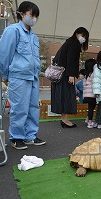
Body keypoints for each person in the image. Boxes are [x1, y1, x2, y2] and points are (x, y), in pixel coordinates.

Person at [0, 1, 46, 150]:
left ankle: (30, 136)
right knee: (19, 107)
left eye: (36, 16)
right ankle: (16, 137)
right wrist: (4, 75)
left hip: (32, 76)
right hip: (18, 75)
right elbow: (5, 54)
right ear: (21, 14)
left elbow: (35, 58)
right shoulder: (12, 31)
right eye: (32, 15)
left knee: (33, 107)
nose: (34, 19)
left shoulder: (34, 36)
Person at [51, 27, 89, 128]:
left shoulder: (69, 42)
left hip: (61, 74)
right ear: (77, 33)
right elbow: (71, 60)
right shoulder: (74, 43)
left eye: (85, 37)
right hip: (66, 75)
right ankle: (64, 120)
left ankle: (64, 119)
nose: (83, 38)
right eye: (83, 35)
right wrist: (71, 74)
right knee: (67, 96)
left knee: (63, 96)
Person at [83, 58, 97, 128]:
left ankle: (88, 119)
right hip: (92, 95)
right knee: (91, 108)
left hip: (86, 95)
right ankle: (90, 122)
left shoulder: (86, 75)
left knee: (90, 107)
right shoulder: (93, 74)